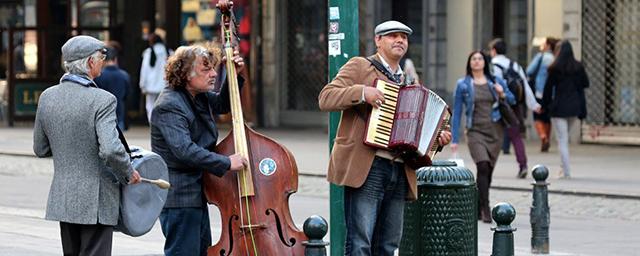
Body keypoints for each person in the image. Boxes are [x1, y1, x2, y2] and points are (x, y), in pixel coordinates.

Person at [318, 20, 452, 255]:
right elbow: (326, 97)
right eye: (393, 36)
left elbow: (417, 134)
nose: (400, 40)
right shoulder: (360, 66)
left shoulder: (410, 82)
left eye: (404, 37)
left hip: (400, 170)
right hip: (367, 167)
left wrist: (437, 141)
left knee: (389, 246)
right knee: (360, 243)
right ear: (378, 41)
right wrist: (362, 92)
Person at [32, 35, 141, 255]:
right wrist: (128, 172)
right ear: (90, 62)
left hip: (64, 197)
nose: (103, 61)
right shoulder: (102, 99)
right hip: (96, 199)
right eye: (102, 57)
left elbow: (40, 148)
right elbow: (111, 149)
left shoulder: (47, 97)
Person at [150, 43, 248, 255]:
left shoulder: (196, 95)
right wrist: (227, 162)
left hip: (195, 193)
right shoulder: (169, 104)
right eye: (206, 69)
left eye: (213, 68)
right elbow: (184, 150)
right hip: (179, 196)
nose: (213, 74)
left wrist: (234, 76)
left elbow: (222, 106)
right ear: (185, 74)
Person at [450, 50, 515, 223]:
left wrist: (502, 93)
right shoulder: (463, 84)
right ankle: (486, 208)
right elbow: (457, 113)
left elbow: (512, 99)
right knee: (483, 166)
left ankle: (477, 207)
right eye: (474, 59)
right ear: (469, 63)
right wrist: (454, 139)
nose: (477, 62)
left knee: (488, 172)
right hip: (475, 132)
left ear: (485, 62)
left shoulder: (496, 81)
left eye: (480, 59)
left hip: (495, 131)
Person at [489, 38, 541, 178]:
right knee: (516, 137)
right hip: (514, 106)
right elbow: (524, 85)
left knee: (491, 137)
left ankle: (487, 167)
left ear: (493, 51)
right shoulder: (515, 65)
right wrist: (534, 105)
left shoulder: (492, 66)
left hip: (497, 106)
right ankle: (523, 165)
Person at [542, 40, 589, 179]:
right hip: (574, 107)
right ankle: (563, 168)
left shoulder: (555, 68)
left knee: (562, 140)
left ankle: (566, 171)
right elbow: (584, 85)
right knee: (565, 138)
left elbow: (547, 89)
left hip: (559, 107)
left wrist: (545, 106)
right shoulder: (578, 67)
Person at [527, 37, 559, 152]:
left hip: (539, 91)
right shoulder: (557, 57)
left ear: (548, 46)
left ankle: (543, 136)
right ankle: (547, 139)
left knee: (538, 116)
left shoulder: (541, 56)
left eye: (544, 44)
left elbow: (529, 71)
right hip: (553, 94)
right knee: (547, 117)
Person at [95, 45, 130, 130]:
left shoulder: (98, 76)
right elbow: (127, 95)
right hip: (119, 112)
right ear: (115, 59)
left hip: (101, 114)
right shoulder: (124, 75)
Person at [140, 33, 170, 123]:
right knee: (164, 106)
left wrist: (142, 84)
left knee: (150, 106)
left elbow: (144, 70)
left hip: (151, 85)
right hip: (165, 84)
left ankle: (153, 124)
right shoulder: (168, 52)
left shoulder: (148, 52)